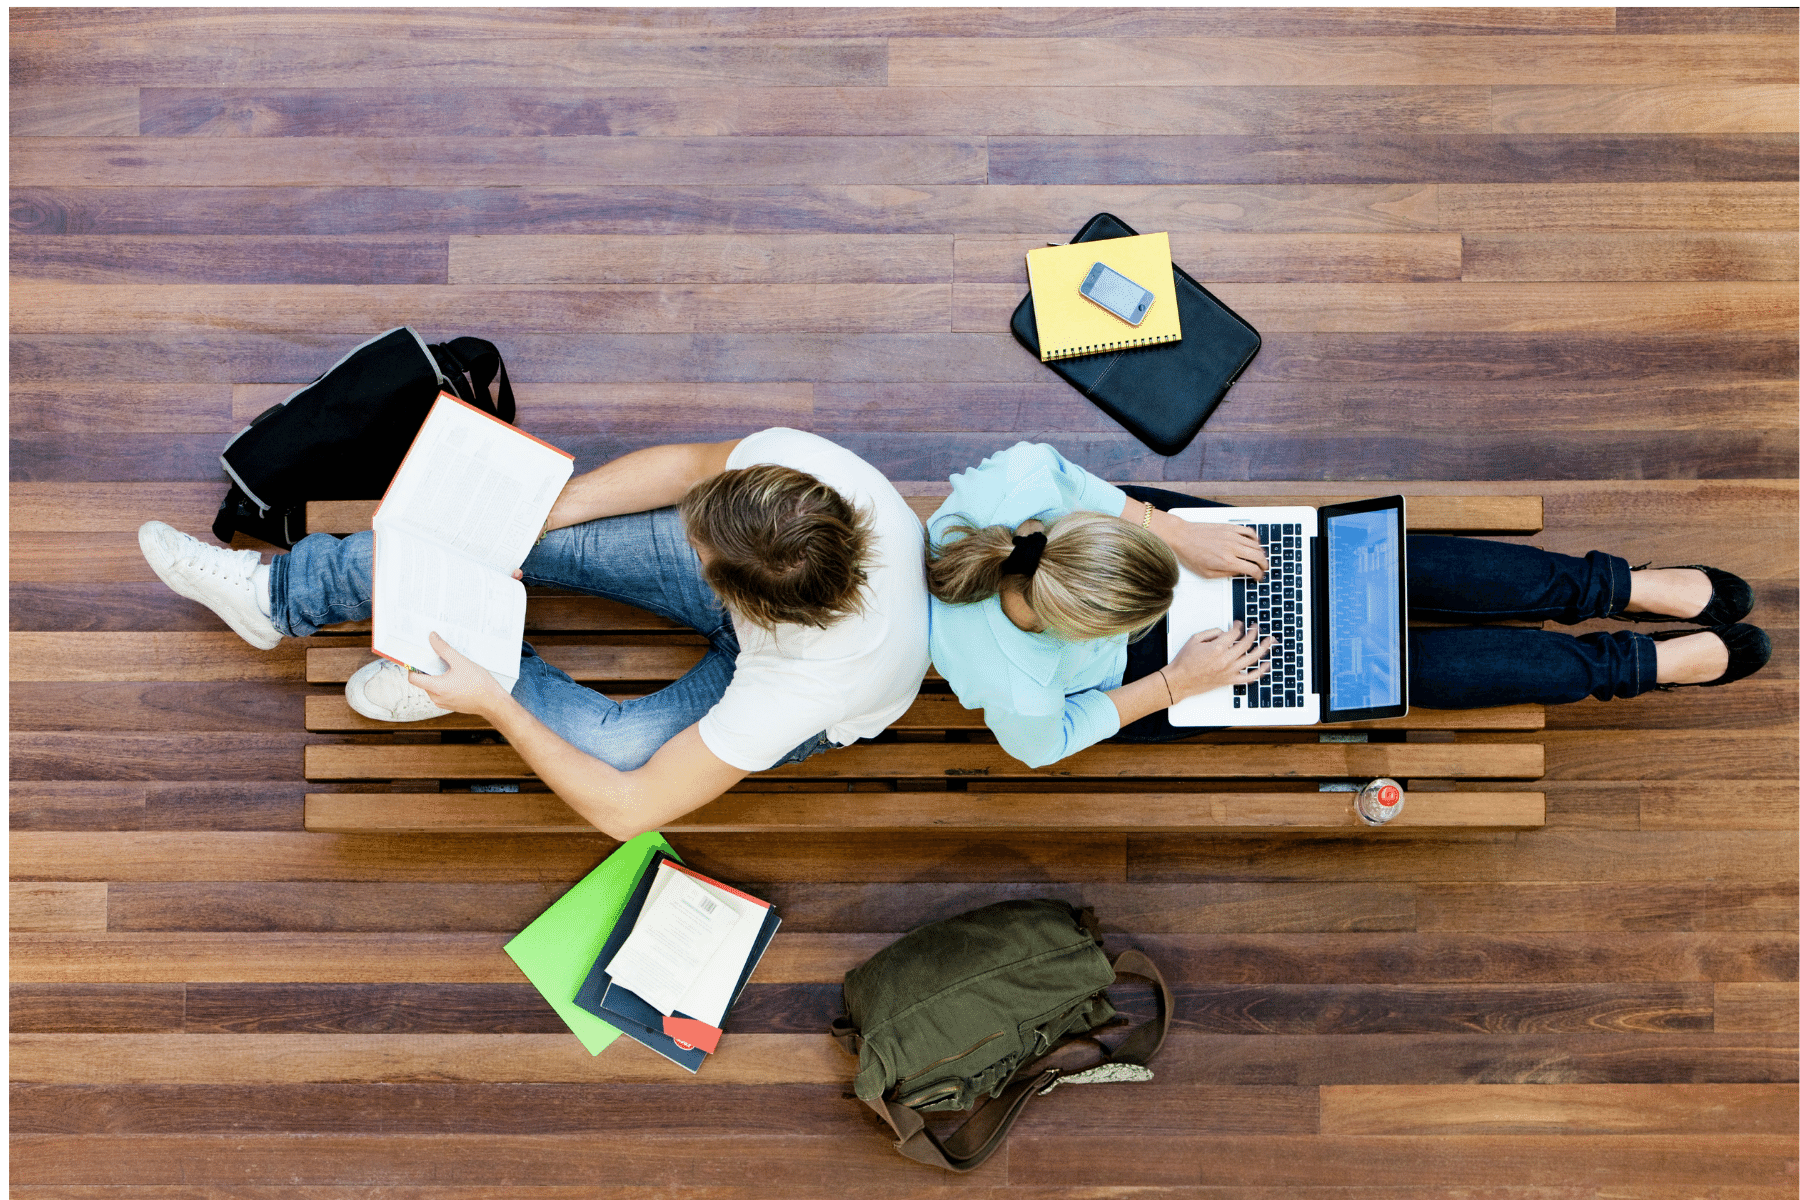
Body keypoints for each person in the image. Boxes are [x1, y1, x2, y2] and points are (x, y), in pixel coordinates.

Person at [139, 428, 930, 837]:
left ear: (738, 595)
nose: (683, 539)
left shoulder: (805, 684)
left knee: (618, 752)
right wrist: (547, 517)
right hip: (783, 602)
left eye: (698, 549)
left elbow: (629, 808)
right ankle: (275, 595)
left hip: (808, 694)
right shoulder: (800, 478)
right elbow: (693, 461)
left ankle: (473, 674)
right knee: (505, 532)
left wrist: (495, 704)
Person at [925, 442, 1771, 769]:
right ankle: (1626, 666)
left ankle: (1613, 586)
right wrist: (1179, 684)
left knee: (1372, 572)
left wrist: (1178, 537)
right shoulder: (1015, 686)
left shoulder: (1014, 492)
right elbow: (1049, 744)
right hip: (1152, 675)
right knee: (1376, 668)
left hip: (1156, 543)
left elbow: (1075, 483)